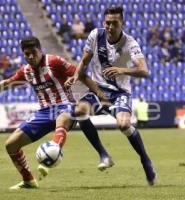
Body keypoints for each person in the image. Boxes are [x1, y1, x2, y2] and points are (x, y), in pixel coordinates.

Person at [0, 36, 108, 189]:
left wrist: (99, 94)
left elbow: (81, 74)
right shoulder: (26, 71)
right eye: (27, 54)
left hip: (64, 106)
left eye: (34, 52)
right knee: (10, 145)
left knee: (63, 118)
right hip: (44, 113)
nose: (31, 57)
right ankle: (29, 180)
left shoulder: (54, 61)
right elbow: (6, 84)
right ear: (23, 54)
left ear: (40, 50)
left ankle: (50, 157)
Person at [65, 6, 157, 185]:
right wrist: (75, 76)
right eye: (108, 23)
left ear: (122, 23)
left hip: (120, 92)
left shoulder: (130, 43)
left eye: (115, 23)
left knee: (123, 124)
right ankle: (103, 154)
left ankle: (145, 160)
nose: (110, 26)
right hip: (98, 89)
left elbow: (144, 70)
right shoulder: (94, 36)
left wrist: (122, 69)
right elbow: (84, 61)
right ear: (103, 23)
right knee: (79, 111)